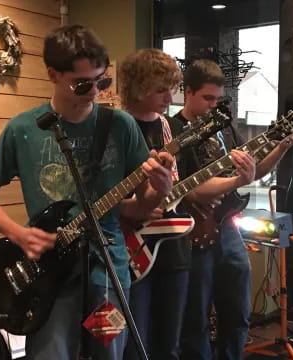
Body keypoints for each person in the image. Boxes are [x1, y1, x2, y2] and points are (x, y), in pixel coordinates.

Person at [0, 25, 175, 360]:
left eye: (103, 81)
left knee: (109, 354)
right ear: (53, 74)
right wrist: (20, 235)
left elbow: (143, 204)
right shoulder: (24, 129)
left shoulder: (121, 126)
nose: (95, 90)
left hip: (108, 272)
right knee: (53, 354)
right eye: (84, 83)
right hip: (49, 274)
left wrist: (159, 189)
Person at [175, 59, 293, 360]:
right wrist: (234, 182)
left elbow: (251, 173)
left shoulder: (224, 127)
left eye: (217, 99)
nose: (213, 105)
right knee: (196, 317)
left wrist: (280, 148)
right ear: (187, 92)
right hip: (193, 231)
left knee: (238, 313)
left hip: (228, 227)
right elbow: (185, 190)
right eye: (207, 98)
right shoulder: (173, 131)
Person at [118, 48, 192, 360]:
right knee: (135, 345)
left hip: (172, 246)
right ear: (137, 86)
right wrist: (132, 206)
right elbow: (95, 195)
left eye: (172, 88)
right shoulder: (114, 126)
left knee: (169, 344)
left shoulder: (168, 127)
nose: (169, 97)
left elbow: (179, 184)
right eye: (160, 89)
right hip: (128, 247)